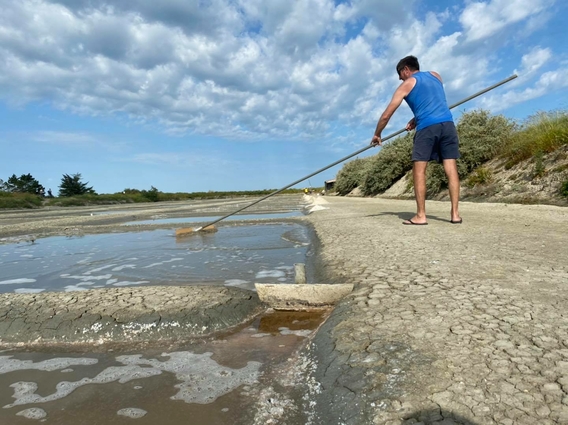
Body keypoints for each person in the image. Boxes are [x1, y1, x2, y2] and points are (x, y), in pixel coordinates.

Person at [371, 55, 462, 225]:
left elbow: (386, 115)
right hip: (448, 125)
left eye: (399, 73)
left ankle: (421, 216)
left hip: (427, 128)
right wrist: (416, 118)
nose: (399, 78)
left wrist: (377, 134)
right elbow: (433, 101)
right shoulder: (436, 75)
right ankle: (455, 215)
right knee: (451, 168)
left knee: (419, 170)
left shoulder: (406, 84)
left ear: (406, 69)